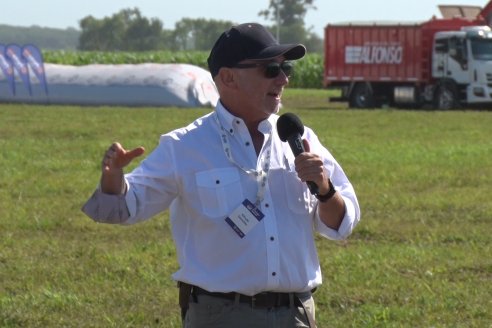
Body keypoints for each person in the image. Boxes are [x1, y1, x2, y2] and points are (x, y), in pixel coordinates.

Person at [82, 22, 360, 328]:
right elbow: (125, 207)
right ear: (228, 77)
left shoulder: (300, 139)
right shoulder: (185, 146)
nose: (283, 79)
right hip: (219, 316)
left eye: (286, 68)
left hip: (296, 314)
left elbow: (342, 224)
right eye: (270, 69)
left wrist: (324, 189)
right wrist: (113, 177)